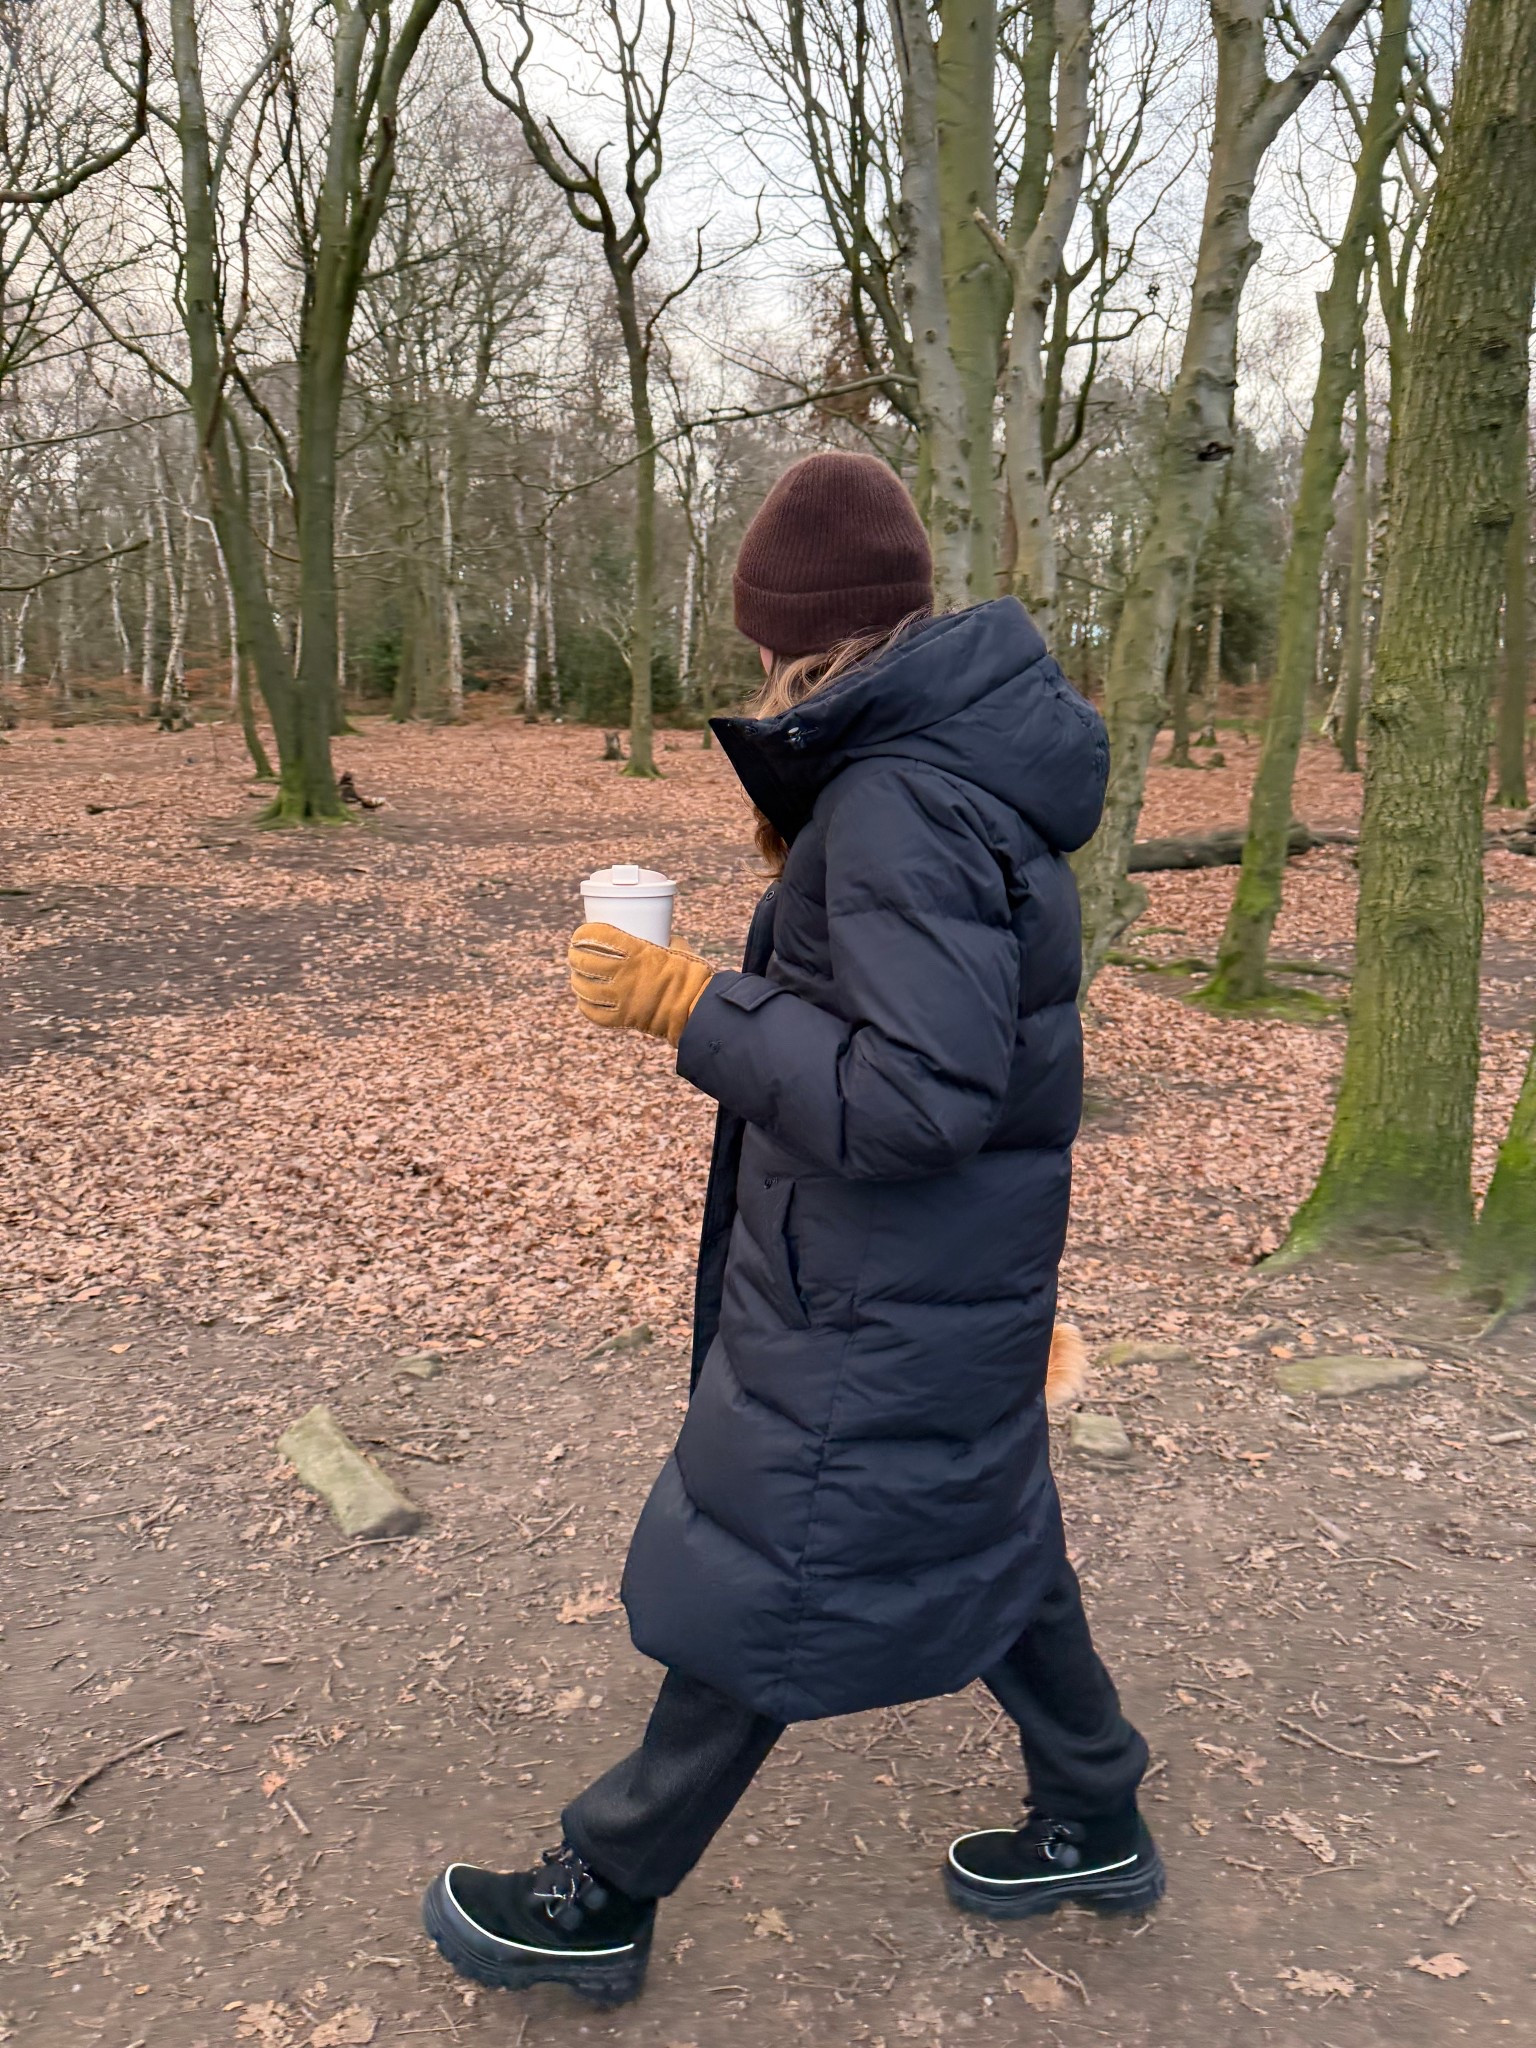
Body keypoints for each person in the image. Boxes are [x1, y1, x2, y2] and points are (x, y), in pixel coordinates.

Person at [422, 452, 1160, 2009]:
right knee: (988, 1522)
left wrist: (690, 1003)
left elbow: (916, 1099)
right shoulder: (942, 768)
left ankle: (600, 1891)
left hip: (882, 1282)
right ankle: (1096, 1810)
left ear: (786, 636)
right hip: (941, 1273)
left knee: (782, 1555)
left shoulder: (898, 799)